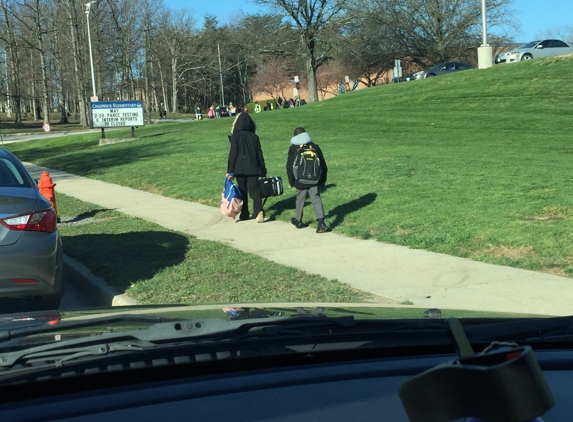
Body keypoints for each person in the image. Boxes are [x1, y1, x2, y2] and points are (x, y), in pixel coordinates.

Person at [286, 127, 328, 233]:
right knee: (316, 198)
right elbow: (323, 165)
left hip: (300, 180)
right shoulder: (314, 147)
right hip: (314, 179)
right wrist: (322, 180)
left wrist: (292, 181)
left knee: (300, 199)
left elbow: (289, 166)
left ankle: (298, 220)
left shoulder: (294, 148)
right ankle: (321, 222)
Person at [227, 112, 267, 223]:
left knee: (242, 190)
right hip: (253, 167)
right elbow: (260, 154)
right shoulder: (254, 137)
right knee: (254, 189)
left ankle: (244, 213)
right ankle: (259, 210)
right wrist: (263, 168)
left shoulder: (236, 137)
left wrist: (230, 171)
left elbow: (233, 155)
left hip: (240, 168)